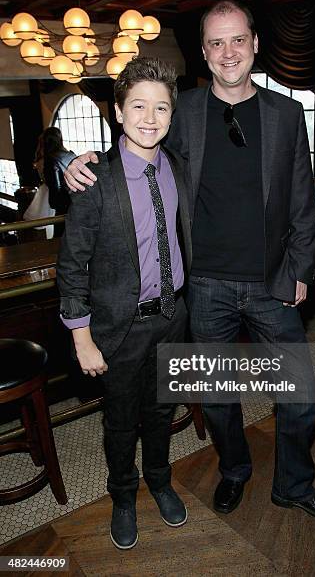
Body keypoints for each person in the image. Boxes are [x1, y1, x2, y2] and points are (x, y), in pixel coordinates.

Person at [63, 0, 315, 521]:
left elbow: (303, 199)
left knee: (300, 397)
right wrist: (71, 160)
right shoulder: (183, 110)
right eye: (216, 43)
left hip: (272, 283)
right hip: (205, 286)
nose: (228, 52)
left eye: (237, 39)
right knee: (217, 398)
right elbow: (134, 143)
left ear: (256, 43)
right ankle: (235, 471)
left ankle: (294, 485)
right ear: (204, 52)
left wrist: (300, 268)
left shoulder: (286, 114)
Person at [57, 57, 191, 550]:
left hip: (173, 317)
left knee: (161, 412)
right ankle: (124, 496)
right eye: (138, 105)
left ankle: (159, 479)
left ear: (171, 116)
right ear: (118, 111)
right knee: (121, 420)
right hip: (119, 328)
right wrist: (82, 337)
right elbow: (72, 266)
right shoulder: (95, 180)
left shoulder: (179, 167)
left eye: (160, 108)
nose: (149, 118)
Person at [36, 127, 75, 216]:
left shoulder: (50, 160)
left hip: (63, 204)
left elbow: (55, 187)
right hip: (77, 199)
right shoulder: (71, 154)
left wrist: (54, 204)